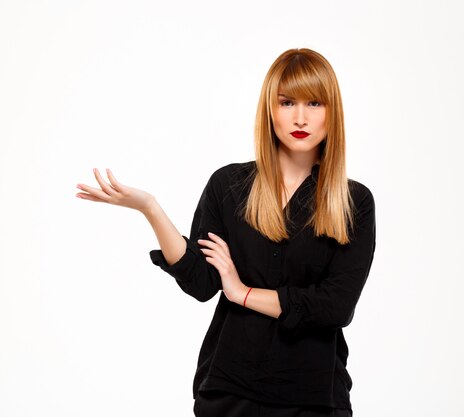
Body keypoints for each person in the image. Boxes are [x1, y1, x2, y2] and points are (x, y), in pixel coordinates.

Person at [75, 48, 376, 417]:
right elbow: (201, 283)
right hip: (230, 391)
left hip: (314, 397)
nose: (300, 117)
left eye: (314, 103)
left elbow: (335, 306)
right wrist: (150, 208)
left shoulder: (353, 202)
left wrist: (243, 293)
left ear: (333, 112)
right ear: (270, 109)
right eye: (286, 102)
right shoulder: (229, 185)